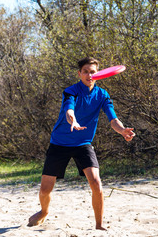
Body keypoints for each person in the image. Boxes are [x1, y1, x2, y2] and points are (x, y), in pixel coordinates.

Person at [27, 57, 135, 230]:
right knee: (45, 189)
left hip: (83, 143)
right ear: (79, 74)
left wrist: (122, 131)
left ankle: (99, 225)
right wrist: (73, 120)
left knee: (96, 182)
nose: (89, 75)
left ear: (98, 74)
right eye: (85, 71)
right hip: (60, 143)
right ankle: (44, 211)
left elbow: (113, 119)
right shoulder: (71, 91)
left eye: (92, 72)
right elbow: (69, 109)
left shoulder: (102, 95)